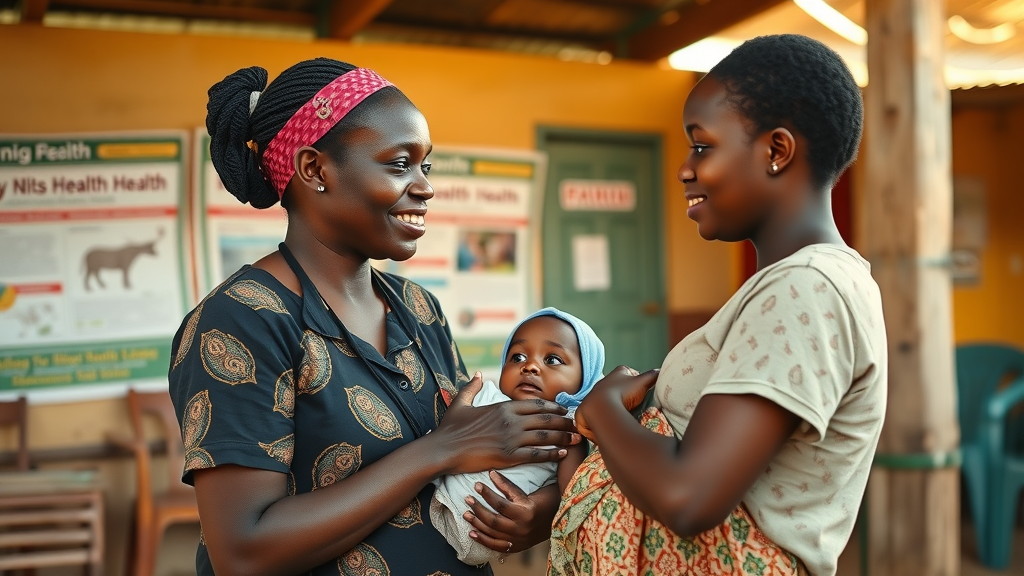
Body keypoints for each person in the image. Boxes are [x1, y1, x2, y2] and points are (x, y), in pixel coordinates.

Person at [168, 57, 581, 576]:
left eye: (426, 166)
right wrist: (439, 451)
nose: (425, 186)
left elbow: (471, 467)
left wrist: (537, 512)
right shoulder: (241, 320)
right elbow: (242, 552)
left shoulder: (418, 309)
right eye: (399, 163)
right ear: (315, 169)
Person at [549, 34, 887, 576]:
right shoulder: (796, 283)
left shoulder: (805, 286)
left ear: (776, 151)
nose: (685, 169)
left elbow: (689, 496)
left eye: (702, 147)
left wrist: (604, 408)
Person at [431, 307, 605, 565]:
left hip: (485, 532)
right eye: (518, 357)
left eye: (552, 360)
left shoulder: (568, 431)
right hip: (434, 497)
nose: (530, 366)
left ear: (585, 379)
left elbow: (572, 499)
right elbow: (447, 434)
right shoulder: (488, 397)